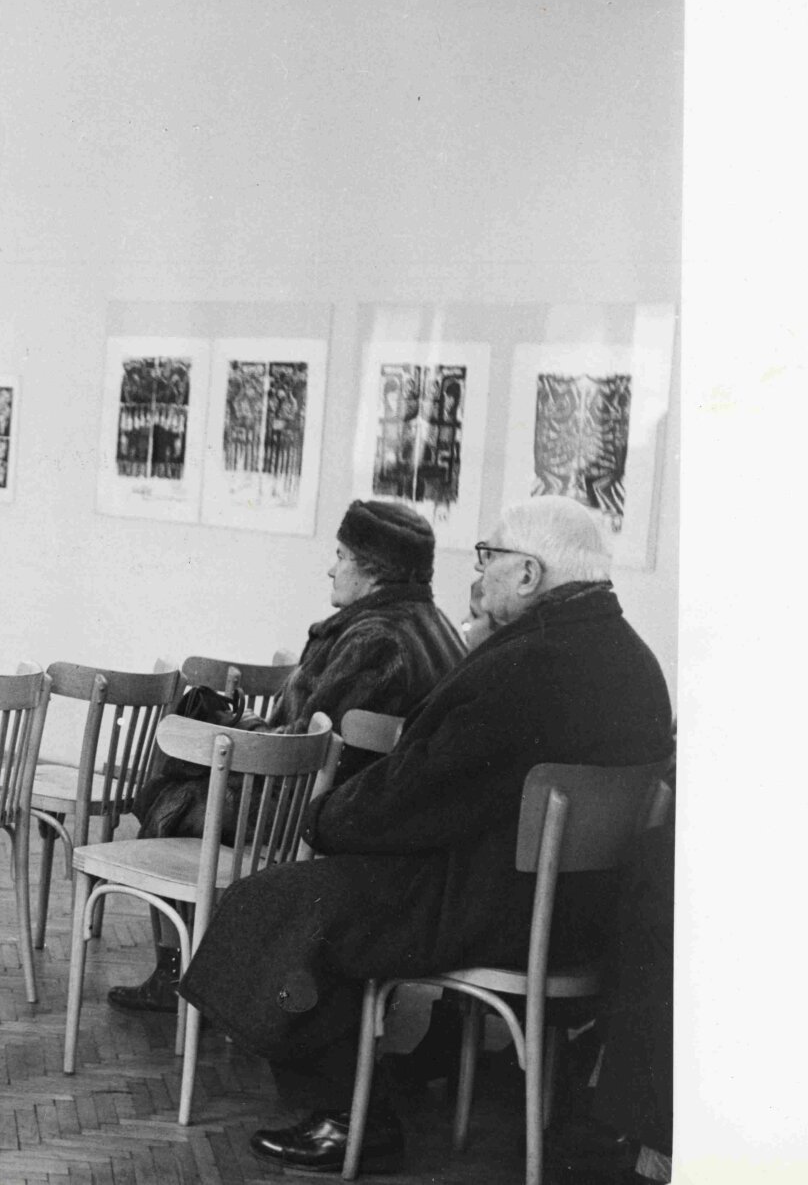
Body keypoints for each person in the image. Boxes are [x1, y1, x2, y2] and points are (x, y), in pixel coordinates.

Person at [176, 495, 673, 1173]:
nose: (480, 573)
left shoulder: (526, 664)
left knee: (284, 900)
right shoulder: (637, 664)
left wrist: (324, 818)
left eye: (490, 557)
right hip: (581, 917)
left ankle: (352, 1118)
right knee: (317, 897)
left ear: (529, 573)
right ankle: (359, 1095)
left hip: (496, 906)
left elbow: (414, 796)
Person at [109, 499, 467, 1013]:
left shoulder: (374, 639)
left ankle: (180, 972)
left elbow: (302, 753)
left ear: (373, 571)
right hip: (379, 819)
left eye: (341, 556)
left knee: (169, 799)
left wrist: (239, 727)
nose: (331, 568)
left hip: (319, 815)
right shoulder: (438, 629)